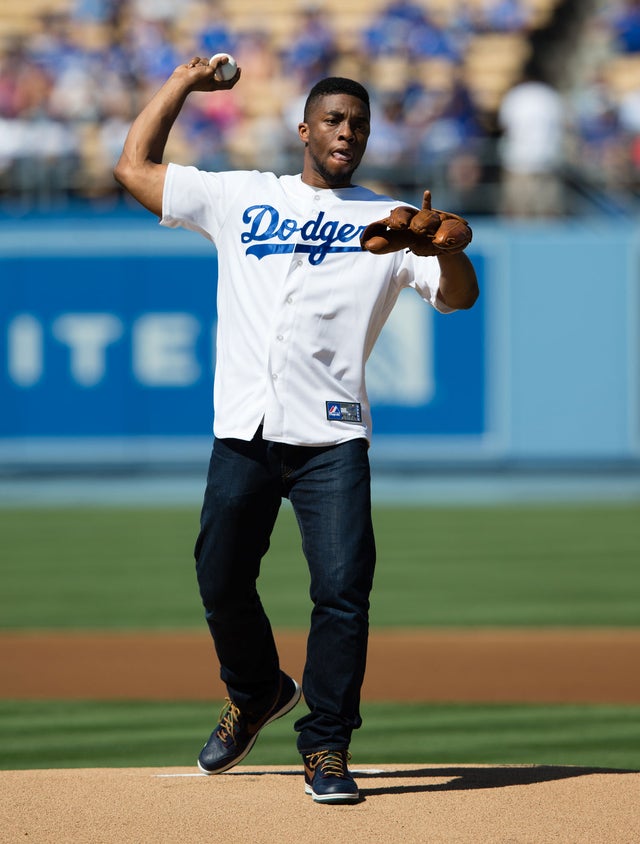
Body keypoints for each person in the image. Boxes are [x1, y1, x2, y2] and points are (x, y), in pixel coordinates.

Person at [114, 54, 478, 804]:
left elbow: (458, 300)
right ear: (304, 129)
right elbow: (133, 166)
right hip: (244, 429)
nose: (349, 133)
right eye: (336, 121)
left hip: (333, 439)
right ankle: (254, 693)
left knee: (343, 593)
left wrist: (442, 246)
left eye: (361, 126)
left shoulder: (390, 221)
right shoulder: (242, 196)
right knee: (219, 578)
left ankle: (328, 748)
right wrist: (182, 83)